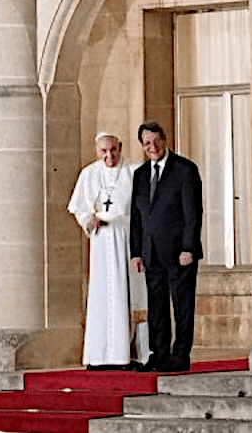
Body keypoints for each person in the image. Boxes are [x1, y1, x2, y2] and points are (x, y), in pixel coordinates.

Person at [68, 133, 151, 370]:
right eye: (103, 151)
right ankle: (100, 356)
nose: (109, 155)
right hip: (101, 241)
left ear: (120, 147)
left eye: (113, 150)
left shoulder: (134, 171)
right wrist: (88, 220)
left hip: (127, 238)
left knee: (131, 295)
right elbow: (79, 208)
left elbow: (144, 209)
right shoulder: (89, 173)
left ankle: (131, 355)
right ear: (97, 151)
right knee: (102, 294)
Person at [130, 121, 202, 372]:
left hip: (179, 253)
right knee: (156, 306)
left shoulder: (185, 169)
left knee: (182, 306)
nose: (152, 147)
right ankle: (159, 354)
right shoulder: (139, 175)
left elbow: (192, 213)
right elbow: (137, 217)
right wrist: (136, 252)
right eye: (146, 143)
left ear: (165, 138)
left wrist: (188, 248)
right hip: (152, 253)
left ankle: (180, 355)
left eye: (156, 140)